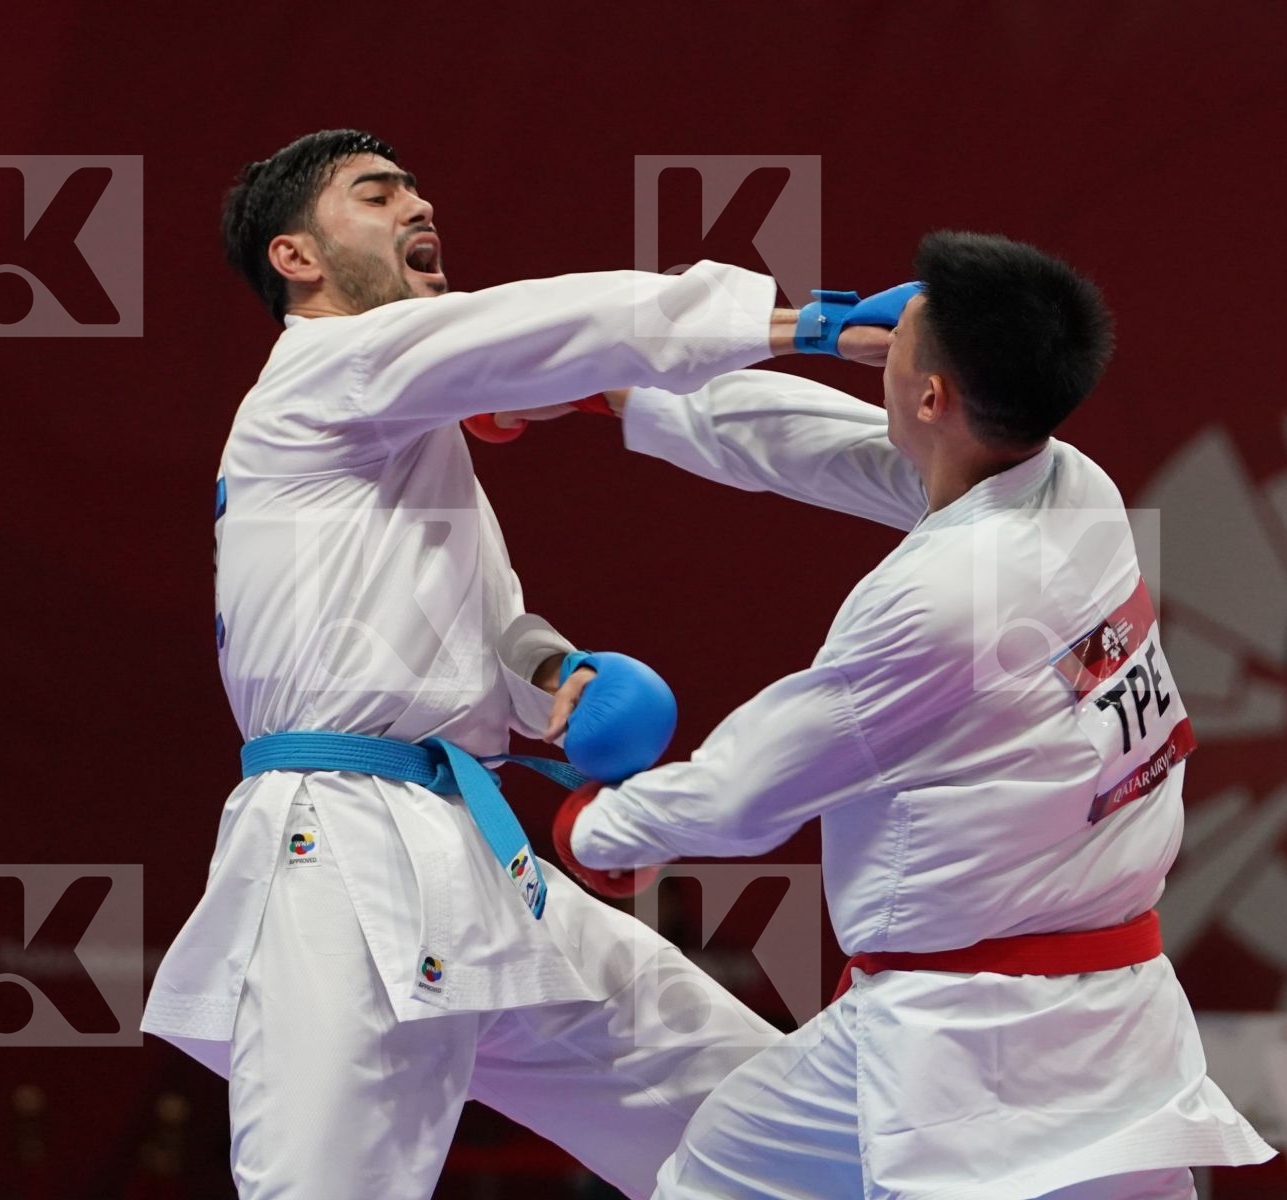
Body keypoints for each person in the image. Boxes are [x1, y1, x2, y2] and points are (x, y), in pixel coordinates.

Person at [140, 128, 892, 1199]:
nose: (415, 205)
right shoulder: (327, 371)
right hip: (342, 860)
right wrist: (795, 321)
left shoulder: (401, 433)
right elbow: (551, 327)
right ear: (295, 257)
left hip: (468, 856)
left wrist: (551, 681)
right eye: (376, 193)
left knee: (768, 1125)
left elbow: (469, 627)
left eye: (416, 186)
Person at [556, 231, 1278, 1198]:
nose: (884, 334)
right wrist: (635, 393)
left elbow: (750, 789)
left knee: (714, 1175)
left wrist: (604, 828)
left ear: (934, 397)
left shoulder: (940, 601)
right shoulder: (1077, 490)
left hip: (958, 1039)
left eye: (906, 337)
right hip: (1117, 1019)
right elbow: (843, 451)